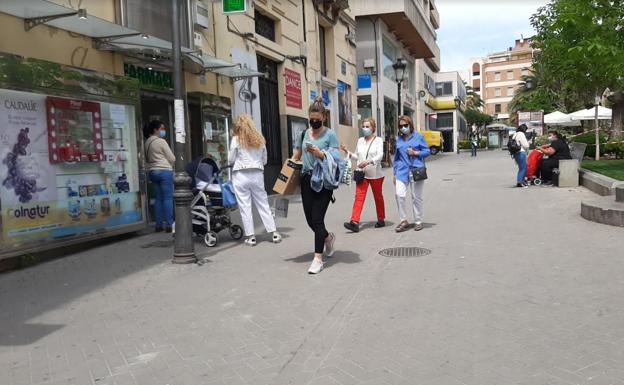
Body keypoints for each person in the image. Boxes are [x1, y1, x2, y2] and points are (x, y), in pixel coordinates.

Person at [293, 97, 339, 274]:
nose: (314, 121)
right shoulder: (304, 134)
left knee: (318, 219)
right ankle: (328, 237)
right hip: (306, 179)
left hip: (323, 181)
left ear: (323, 117)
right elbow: (296, 154)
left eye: (317, 118)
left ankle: (317, 259)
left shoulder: (330, 135)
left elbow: (336, 158)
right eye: (311, 118)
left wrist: (321, 154)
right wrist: (288, 169)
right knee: (311, 221)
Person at [228, 114, 281, 246]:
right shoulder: (259, 139)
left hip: (240, 175)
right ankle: (274, 233)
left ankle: (251, 237)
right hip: (257, 174)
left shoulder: (236, 139)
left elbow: (230, 159)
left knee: (245, 206)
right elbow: (265, 160)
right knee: (263, 203)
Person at [340, 118, 385, 233]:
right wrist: (347, 152)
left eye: (368, 127)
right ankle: (354, 222)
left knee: (378, 197)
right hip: (362, 174)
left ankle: (381, 219)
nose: (365, 129)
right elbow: (357, 156)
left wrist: (368, 161)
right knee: (359, 197)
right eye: (364, 126)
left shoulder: (378, 140)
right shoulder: (360, 140)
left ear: (373, 128)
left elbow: (380, 155)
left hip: (375, 174)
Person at [393, 116, 431, 232]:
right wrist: (394, 173)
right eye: (401, 126)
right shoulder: (399, 139)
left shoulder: (419, 137)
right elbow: (396, 157)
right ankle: (403, 220)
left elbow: (427, 151)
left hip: (416, 170)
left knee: (416, 197)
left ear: (410, 125)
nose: (403, 128)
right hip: (402, 171)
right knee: (399, 195)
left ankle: (418, 221)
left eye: (405, 125)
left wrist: (415, 152)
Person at [144, 120, 175, 232]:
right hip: (164, 171)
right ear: (155, 130)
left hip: (153, 172)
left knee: (158, 198)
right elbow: (172, 158)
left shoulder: (147, 142)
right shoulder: (161, 141)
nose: (163, 131)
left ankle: (158, 224)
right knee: (167, 198)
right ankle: (170, 224)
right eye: (161, 128)